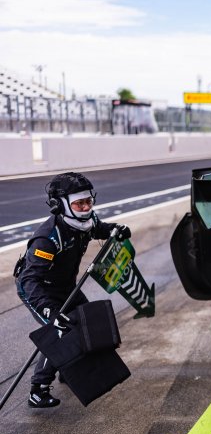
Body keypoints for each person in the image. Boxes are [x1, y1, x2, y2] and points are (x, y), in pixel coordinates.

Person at [15, 172, 131, 408]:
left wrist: (116, 229)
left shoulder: (86, 221)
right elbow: (29, 281)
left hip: (67, 286)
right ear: (60, 205)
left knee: (88, 322)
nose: (86, 207)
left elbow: (98, 228)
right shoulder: (47, 239)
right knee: (60, 333)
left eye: (89, 201)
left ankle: (67, 371)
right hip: (40, 292)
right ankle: (38, 389)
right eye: (79, 203)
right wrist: (49, 312)